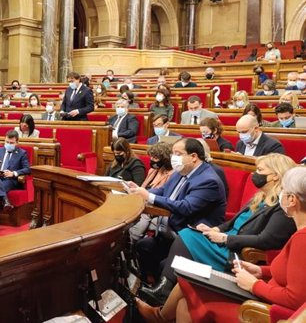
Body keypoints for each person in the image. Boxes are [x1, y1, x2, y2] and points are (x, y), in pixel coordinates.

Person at [136, 166, 306, 323]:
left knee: (189, 291)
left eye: (284, 191)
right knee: (188, 279)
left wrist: (254, 285)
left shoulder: (302, 238)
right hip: (263, 287)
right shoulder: (300, 233)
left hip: (265, 306)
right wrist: (261, 271)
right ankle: (159, 315)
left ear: (291, 200)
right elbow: (291, 271)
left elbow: (295, 300)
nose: (280, 195)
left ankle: (158, 316)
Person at [127, 138, 227, 281]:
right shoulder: (180, 172)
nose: (173, 158)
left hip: (190, 237)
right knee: (142, 247)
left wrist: (149, 197)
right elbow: (162, 191)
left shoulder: (208, 180)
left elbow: (186, 207)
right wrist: (140, 191)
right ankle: (147, 286)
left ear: (193, 157)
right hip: (169, 230)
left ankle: (161, 294)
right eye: (173, 153)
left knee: (164, 264)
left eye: (178, 153)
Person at [129, 142, 175, 243]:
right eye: (151, 157)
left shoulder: (172, 175)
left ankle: (131, 239)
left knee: (143, 216)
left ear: (165, 159)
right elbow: (143, 188)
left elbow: (164, 196)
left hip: (156, 207)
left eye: (155, 158)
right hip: (143, 202)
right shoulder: (152, 171)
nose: (151, 160)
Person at [0, 130, 31, 213]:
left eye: (11, 143)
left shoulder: (22, 153)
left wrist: (13, 173)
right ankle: (5, 201)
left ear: (17, 142)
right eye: (7, 142)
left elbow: (28, 169)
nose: (8, 144)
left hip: (11, 180)